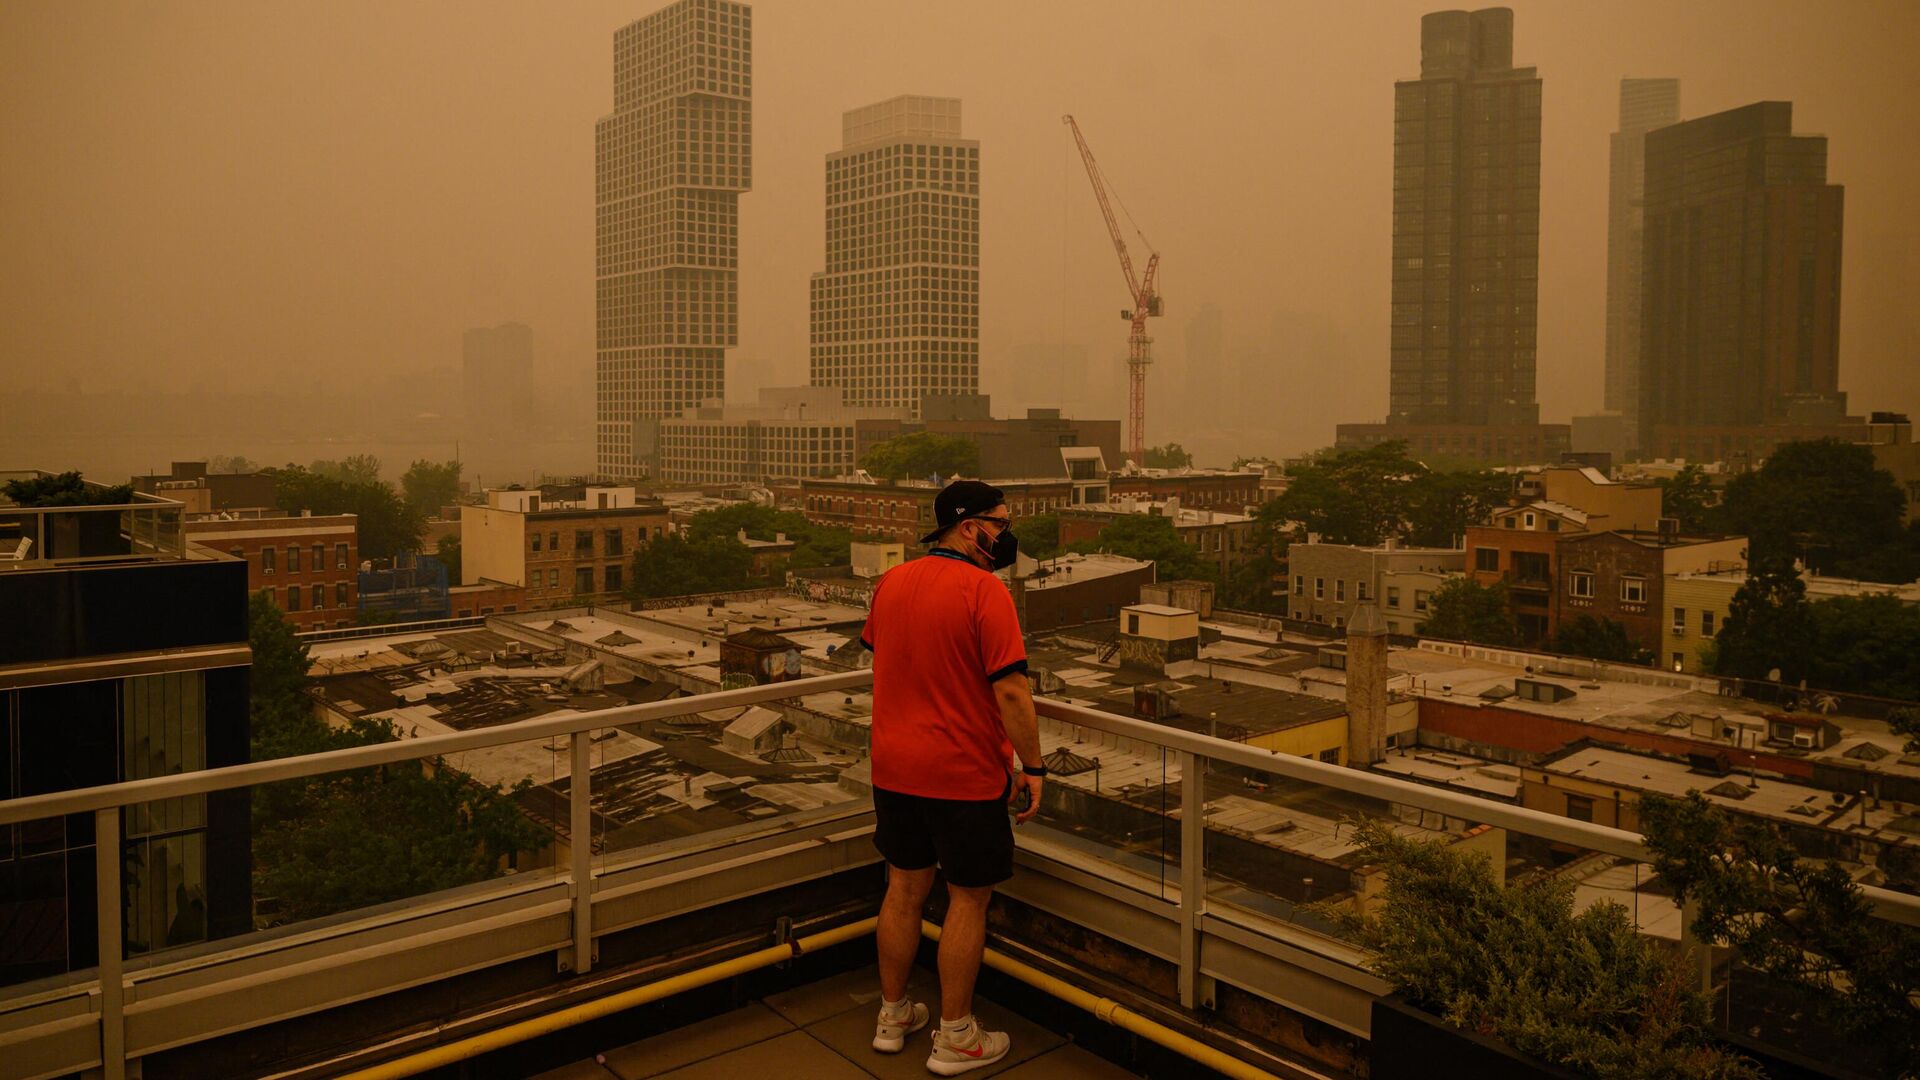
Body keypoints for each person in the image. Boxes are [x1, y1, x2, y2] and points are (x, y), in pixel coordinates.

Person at [859, 479, 1046, 1075]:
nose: (1006, 533)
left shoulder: (892, 582)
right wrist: (1033, 766)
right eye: (1001, 522)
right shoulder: (985, 591)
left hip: (893, 766)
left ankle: (892, 1016)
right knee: (967, 900)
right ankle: (956, 1036)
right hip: (962, 774)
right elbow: (1012, 692)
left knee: (903, 889)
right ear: (970, 528)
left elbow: (889, 658)